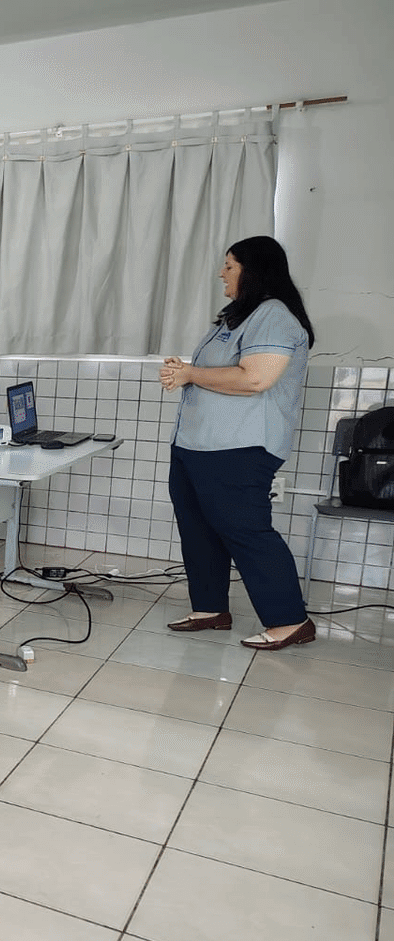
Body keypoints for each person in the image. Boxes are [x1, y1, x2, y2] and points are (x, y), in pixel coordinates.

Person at [160, 235, 316, 651]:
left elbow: (256, 378)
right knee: (197, 528)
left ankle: (290, 620)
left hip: (239, 448)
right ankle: (210, 608)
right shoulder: (234, 318)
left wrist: (191, 374)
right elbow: (217, 372)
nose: (221, 273)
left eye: (229, 266)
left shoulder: (273, 315)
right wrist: (185, 370)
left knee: (246, 530)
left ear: (254, 270)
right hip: (196, 445)